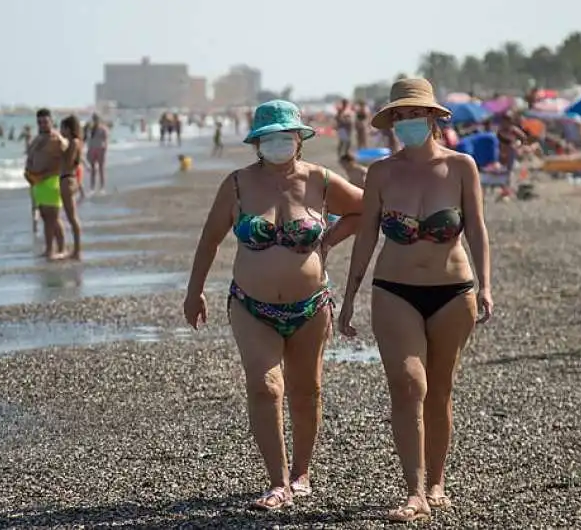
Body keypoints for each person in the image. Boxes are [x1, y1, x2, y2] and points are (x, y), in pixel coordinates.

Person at [184, 100, 363, 510]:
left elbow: (363, 208)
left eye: (287, 136)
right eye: (270, 137)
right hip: (252, 307)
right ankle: (277, 481)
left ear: (299, 139)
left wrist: (329, 240)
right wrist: (193, 292)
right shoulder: (237, 184)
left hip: (311, 307)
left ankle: (301, 473)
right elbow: (210, 239)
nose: (279, 144)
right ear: (257, 142)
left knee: (307, 390)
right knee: (265, 388)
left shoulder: (320, 180)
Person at [337, 78, 493, 523]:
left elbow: (478, 229)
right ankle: (414, 492)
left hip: (453, 291)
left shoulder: (462, 166)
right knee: (409, 386)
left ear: (433, 118)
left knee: (440, 390)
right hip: (393, 290)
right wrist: (350, 294)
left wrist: (486, 284)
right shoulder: (382, 173)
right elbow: (366, 234)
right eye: (399, 116)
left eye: (413, 114)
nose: (406, 122)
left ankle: (437, 481)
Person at [25, 108, 69, 260]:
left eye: (45, 121)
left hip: (52, 180)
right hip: (37, 182)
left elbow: (69, 156)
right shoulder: (36, 139)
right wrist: (28, 173)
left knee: (54, 217)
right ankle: (49, 248)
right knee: (45, 217)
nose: (42, 125)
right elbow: (29, 156)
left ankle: (61, 248)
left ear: (51, 121)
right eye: (40, 122)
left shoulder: (56, 139)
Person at [59, 115, 84, 260]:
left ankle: (77, 251)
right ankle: (76, 249)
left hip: (67, 179)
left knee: (72, 217)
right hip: (69, 179)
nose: (61, 131)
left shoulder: (73, 142)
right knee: (71, 217)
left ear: (68, 128)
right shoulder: (75, 142)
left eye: (63, 128)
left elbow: (68, 162)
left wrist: (62, 151)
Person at [86, 114, 109, 193]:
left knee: (101, 169)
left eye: (96, 119)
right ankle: (92, 187)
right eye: (94, 119)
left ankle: (102, 187)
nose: (95, 121)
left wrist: (105, 149)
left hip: (100, 149)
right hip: (92, 149)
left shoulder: (103, 129)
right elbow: (89, 140)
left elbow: (106, 140)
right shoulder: (91, 129)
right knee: (93, 170)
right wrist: (88, 151)